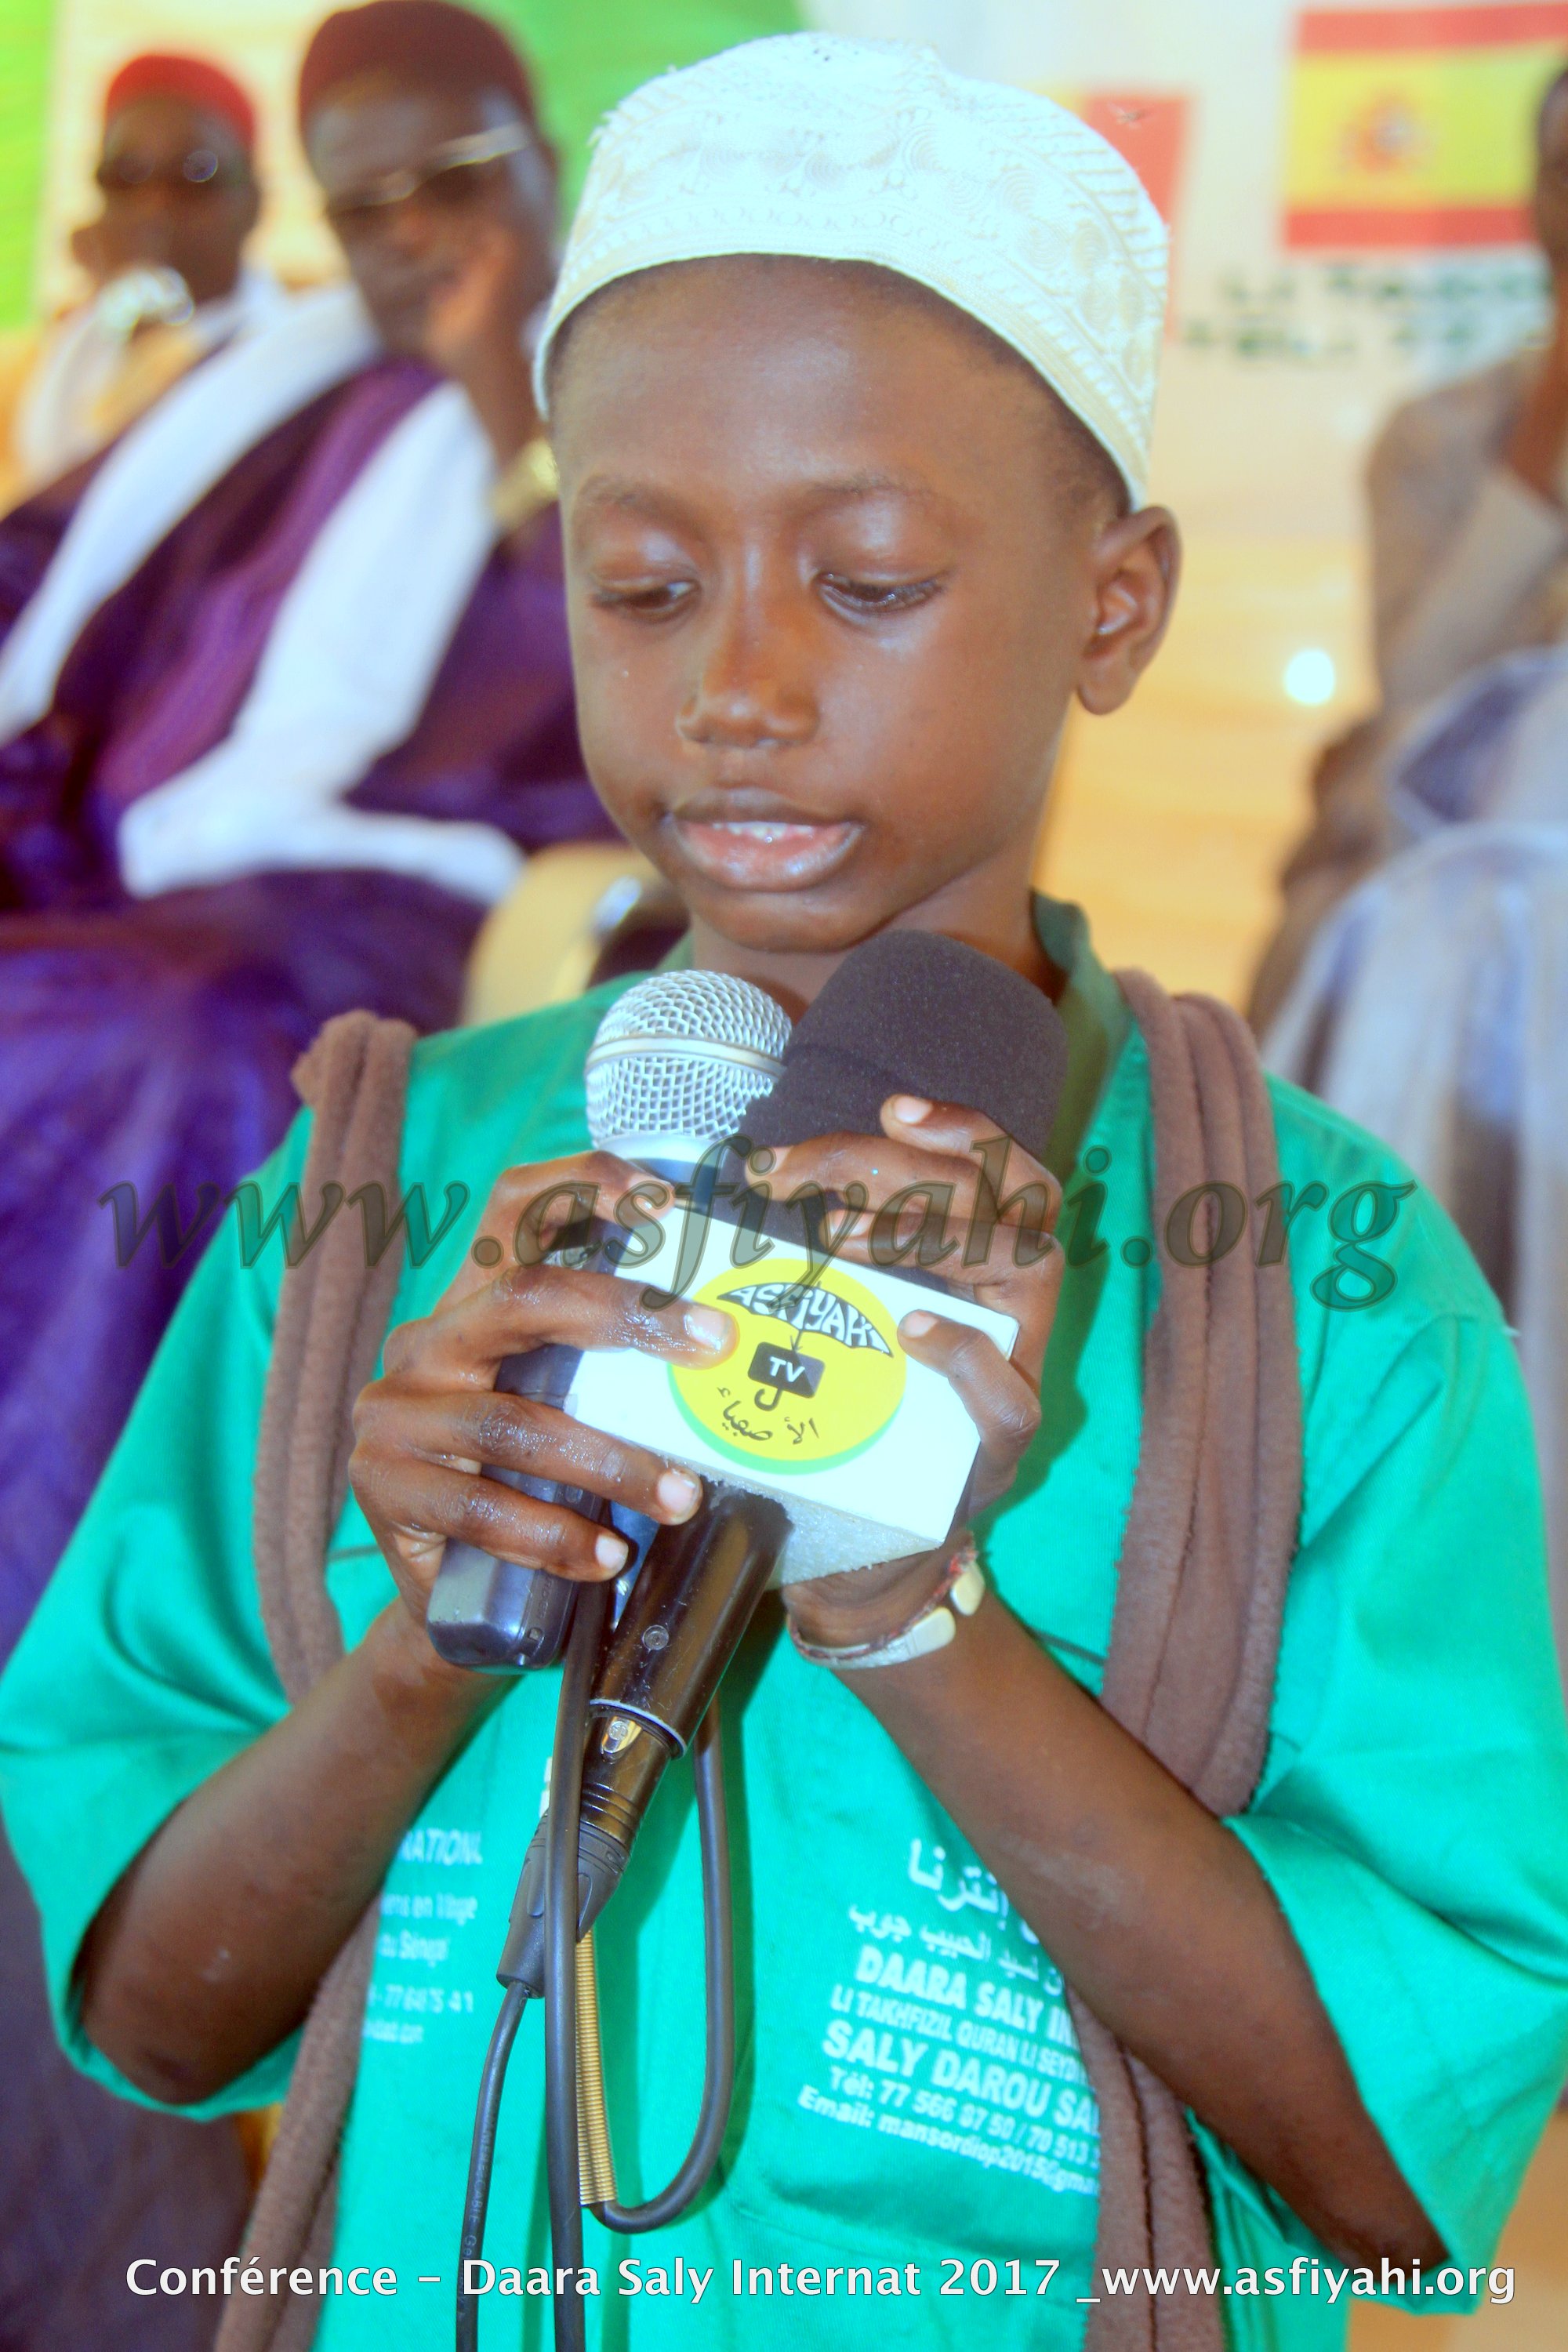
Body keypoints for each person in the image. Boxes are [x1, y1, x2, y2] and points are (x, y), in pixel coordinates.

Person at [4, 33, 1568, 2352]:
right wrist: (430, 1647)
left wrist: (914, 1608)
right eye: (641, 587)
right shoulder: (373, 1183)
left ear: (1113, 606)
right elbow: (147, 2016)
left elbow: (1395, 2195)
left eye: (864, 580)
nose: (735, 685)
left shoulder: (1324, 1277)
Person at [0, 0, 614, 1655]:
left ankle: (64, 1627)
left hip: (388, 897)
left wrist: (509, 400)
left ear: (541, 165)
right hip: (121, 863)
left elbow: (626, 686)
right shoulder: (280, 389)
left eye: (454, 179)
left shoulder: (631, 384)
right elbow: (44, 578)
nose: (409, 236)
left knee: (167, 1039)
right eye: (361, 206)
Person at [1247, 60, 1568, 1035]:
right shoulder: (1438, 433)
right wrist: (1540, 437)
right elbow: (1418, 688)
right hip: (1444, 951)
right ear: (1533, 203)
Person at [0, 53, 279, 511]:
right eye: (126, 176)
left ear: (255, 202)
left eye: (195, 174)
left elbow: (176, 467)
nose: (154, 205)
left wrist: (140, 298)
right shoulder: (59, 350)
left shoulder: (288, 362)